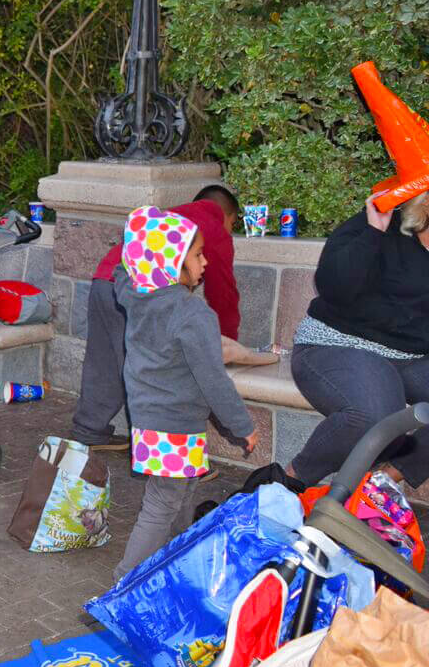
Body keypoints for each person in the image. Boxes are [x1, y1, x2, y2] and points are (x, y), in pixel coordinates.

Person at [112, 206, 256, 581]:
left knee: (182, 488)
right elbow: (213, 379)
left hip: (149, 418)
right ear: (171, 262)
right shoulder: (192, 313)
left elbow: (121, 271)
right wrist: (242, 425)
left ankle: (172, 560)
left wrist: (135, 250)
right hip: (174, 423)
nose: (205, 262)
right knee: (162, 501)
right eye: (197, 255)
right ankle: (126, 580)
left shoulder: (136, 294)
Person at [69, 185, 242, 450]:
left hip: (106, 281)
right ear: (228, 215)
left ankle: (88, 430)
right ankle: (159, 453)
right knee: (153, 376)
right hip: (143, 297)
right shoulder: (212, 229)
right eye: (233, 224)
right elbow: (223, 294)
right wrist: (227, 341)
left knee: (103, 360)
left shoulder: (171, 216)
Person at [286, 193, 429, 490]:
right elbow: (332, 286)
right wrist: (373, 233)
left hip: (411, 355)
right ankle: (288, 483)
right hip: (340, 343)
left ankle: (378, 487)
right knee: (375, 415)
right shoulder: (383, 222)